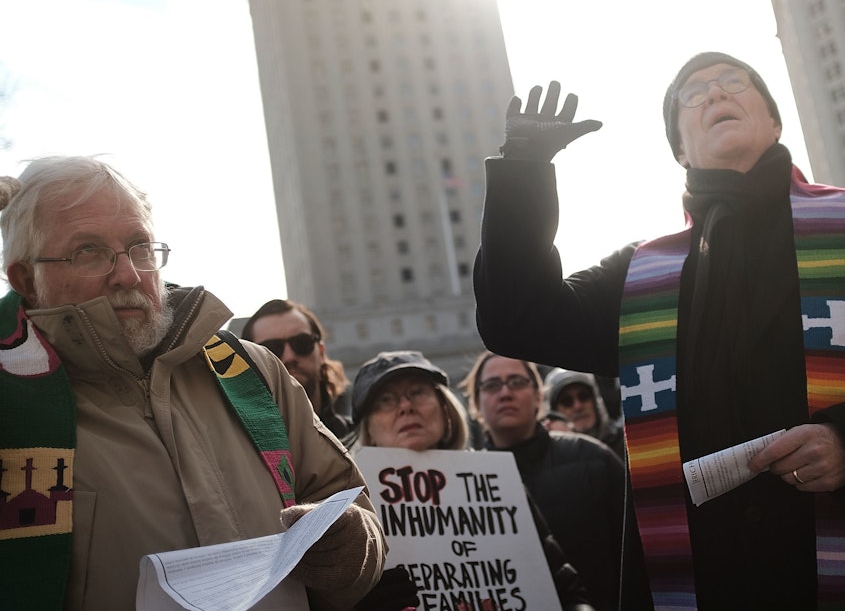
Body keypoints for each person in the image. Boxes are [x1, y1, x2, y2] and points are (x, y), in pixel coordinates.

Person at [473, 51, 845, 609]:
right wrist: (523, 168)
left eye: (734, 82)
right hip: (704, 582)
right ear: (679, 148)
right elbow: (516, 318)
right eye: (694, 94)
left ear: (773, 121)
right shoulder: (643, 274)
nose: (716, 94)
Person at [0, 156, 385, 610]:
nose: (129, 274)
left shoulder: (252, 370)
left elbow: (349, 504)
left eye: (140, 246)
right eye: (88, 251)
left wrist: (353, 549)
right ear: (26, 278)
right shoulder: (11, 398)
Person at [349, 350, 596, 611]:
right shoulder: (352, 511)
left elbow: (567, 592)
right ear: (369, 428)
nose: (406, 407)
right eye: (385, 400)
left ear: (445, 410)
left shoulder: (498, 483)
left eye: (418, 392)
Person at [461, 350, 639, 611]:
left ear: (538, 396)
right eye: (491, 385)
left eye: (517, 382)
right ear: (476, 404)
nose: (505, 393)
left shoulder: (595, 458)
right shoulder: (464, 487)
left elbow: (639, 556)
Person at [241, 298, 353, 438]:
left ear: (321, 352)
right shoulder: (235, 451)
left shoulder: (362, 443)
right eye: (271, 350)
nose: (289, 357)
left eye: (302, 343)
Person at [543, 368, 625, 460]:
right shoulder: (548, 458)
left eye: (583, 396)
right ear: (555, 411)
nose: (578, 406)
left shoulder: (625, 445)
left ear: (595, 401)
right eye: (567, 401)